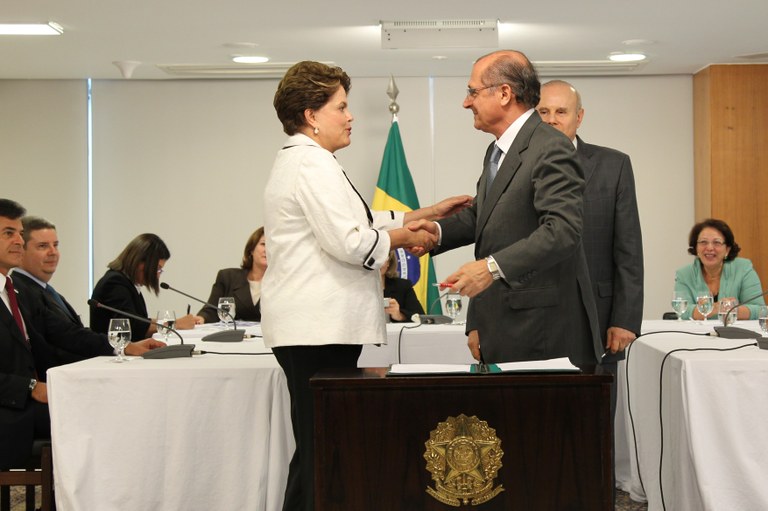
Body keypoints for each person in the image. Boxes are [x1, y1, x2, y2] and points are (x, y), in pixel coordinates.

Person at [262, 60, 471, 511]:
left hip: (315, 327)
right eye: (341, 107)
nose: (350, 115)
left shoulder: (309, 160)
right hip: (316, 328)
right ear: (312, 115)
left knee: (319, 443)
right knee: (322, 446)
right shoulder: (311, 164)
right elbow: (350, 242)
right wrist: (406, 237)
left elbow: (359, 220)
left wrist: (424, 213)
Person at [409, 50, 602, 367]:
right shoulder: (497, 149)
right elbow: (485, 217)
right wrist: (437, 232)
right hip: (505, 324)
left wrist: (490, 268)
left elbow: (562, 231)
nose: (466, 102)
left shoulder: (550, 146)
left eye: (472, 92)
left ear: (504, 93)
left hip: (542, 333)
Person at [0, 199, 165, 469]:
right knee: (107, 416)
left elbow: (65, 335)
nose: (18, 240)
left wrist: (123, 347)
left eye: (19, 233)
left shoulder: (15, 291)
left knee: (118, 404)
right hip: (11, 412)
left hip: (29, 403)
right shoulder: (21, 288)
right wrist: (30, 387)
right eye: (9, 233)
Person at [537, 80, 644, 359]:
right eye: (543, 112)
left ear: (579, 117)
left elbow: (629, 250)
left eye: (561, 112)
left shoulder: (614, 165)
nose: (551, 120)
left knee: (597, 388)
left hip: (598, 316)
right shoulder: (515, 166)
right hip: (531, 321)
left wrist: (625, 319)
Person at [90, 233, 203, 340]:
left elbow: (140, 321)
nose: (158, 275)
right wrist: (175, 324)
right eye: (157, 268)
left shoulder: (127, 283)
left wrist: (173, 322)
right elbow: (132, 326)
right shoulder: (114, 283)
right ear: (140, 262)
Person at [674, 218, 765, 320]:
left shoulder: (743, 268)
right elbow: (683, 312)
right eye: (703, 242)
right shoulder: (684, 274)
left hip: (733, 329)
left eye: (717, 242)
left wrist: (732, 309)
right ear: (696, 248)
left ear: (727, 249)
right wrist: (716, 308)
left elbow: (760, 310)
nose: (709, 248)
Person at [12, 216, 84, 328]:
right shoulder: (20, 294)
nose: (53, 252)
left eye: (55, 245)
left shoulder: (47, 291)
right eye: (43, 246)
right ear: (20, 250)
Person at [198, 227, 266, 323]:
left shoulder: (283, 283)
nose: (267, 250)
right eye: (263, 244)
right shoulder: (228, 277)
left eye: (272, 246)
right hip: (234, 332)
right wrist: (201, 319)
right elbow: (211, 310)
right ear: (251, 249)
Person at [381, 250, 424, 322]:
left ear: (388, 262)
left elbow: (421, 317)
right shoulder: (359, 288)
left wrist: (400, 316)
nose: (376, 264)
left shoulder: (402, 286)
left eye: (381, 258)